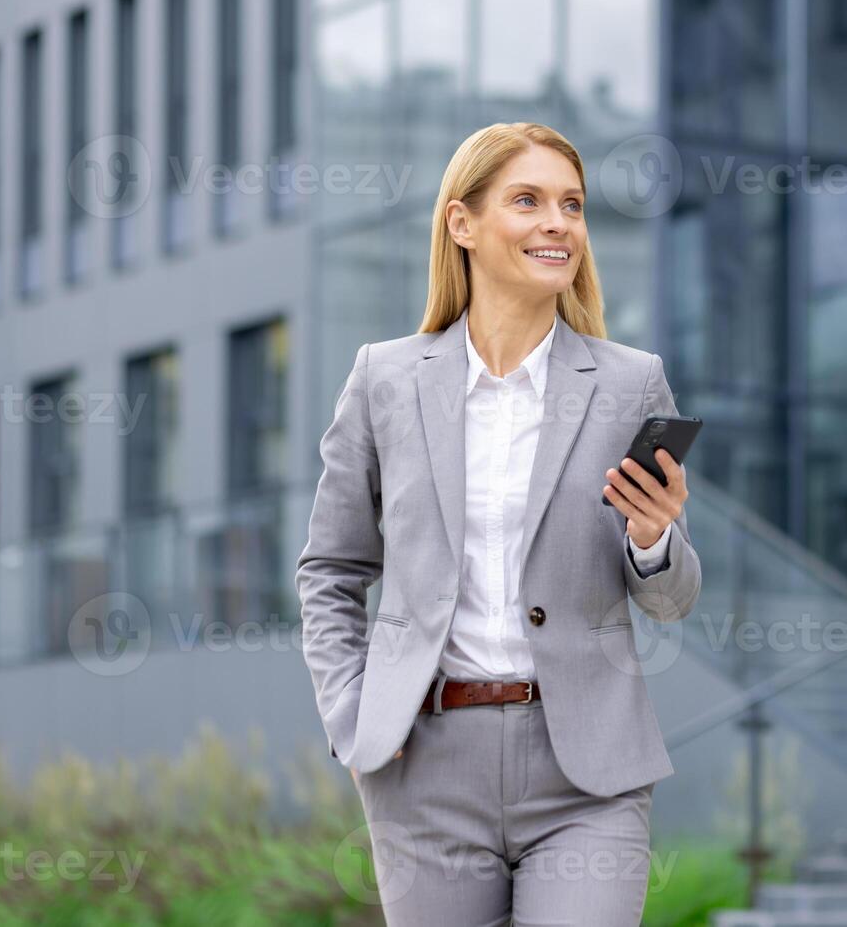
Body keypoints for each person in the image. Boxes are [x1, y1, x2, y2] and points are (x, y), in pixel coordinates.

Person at [296, 121, 702, 924]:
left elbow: (671, 601)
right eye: (528, 201)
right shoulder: (384, 380)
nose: (559, 223)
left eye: (572, 205)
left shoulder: (630, 383)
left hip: (587, 771)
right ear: (463, 224)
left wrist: (654, 541)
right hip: (425, 772)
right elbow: (331, 571)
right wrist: (353, 721)